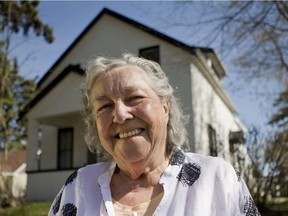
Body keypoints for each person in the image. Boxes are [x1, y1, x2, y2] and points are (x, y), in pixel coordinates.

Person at [48, 53, 260, 216]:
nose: (119, 115)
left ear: (165, 108)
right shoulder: (78, 187)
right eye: (104, 106)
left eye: (135, 97)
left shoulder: (217, 180)